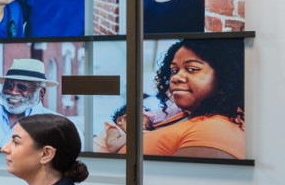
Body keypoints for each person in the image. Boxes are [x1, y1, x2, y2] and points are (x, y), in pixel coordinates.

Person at [95, 40, 244, 159]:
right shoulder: (191, 114)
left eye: (192, 69)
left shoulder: (215, 130)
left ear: (225, 78)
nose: (176, 77)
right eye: (174, 70)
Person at [0, 57, 52, 147]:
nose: (13, 91)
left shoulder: (55, 124)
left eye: (22, 87)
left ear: (41, 93)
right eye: (8, 85)